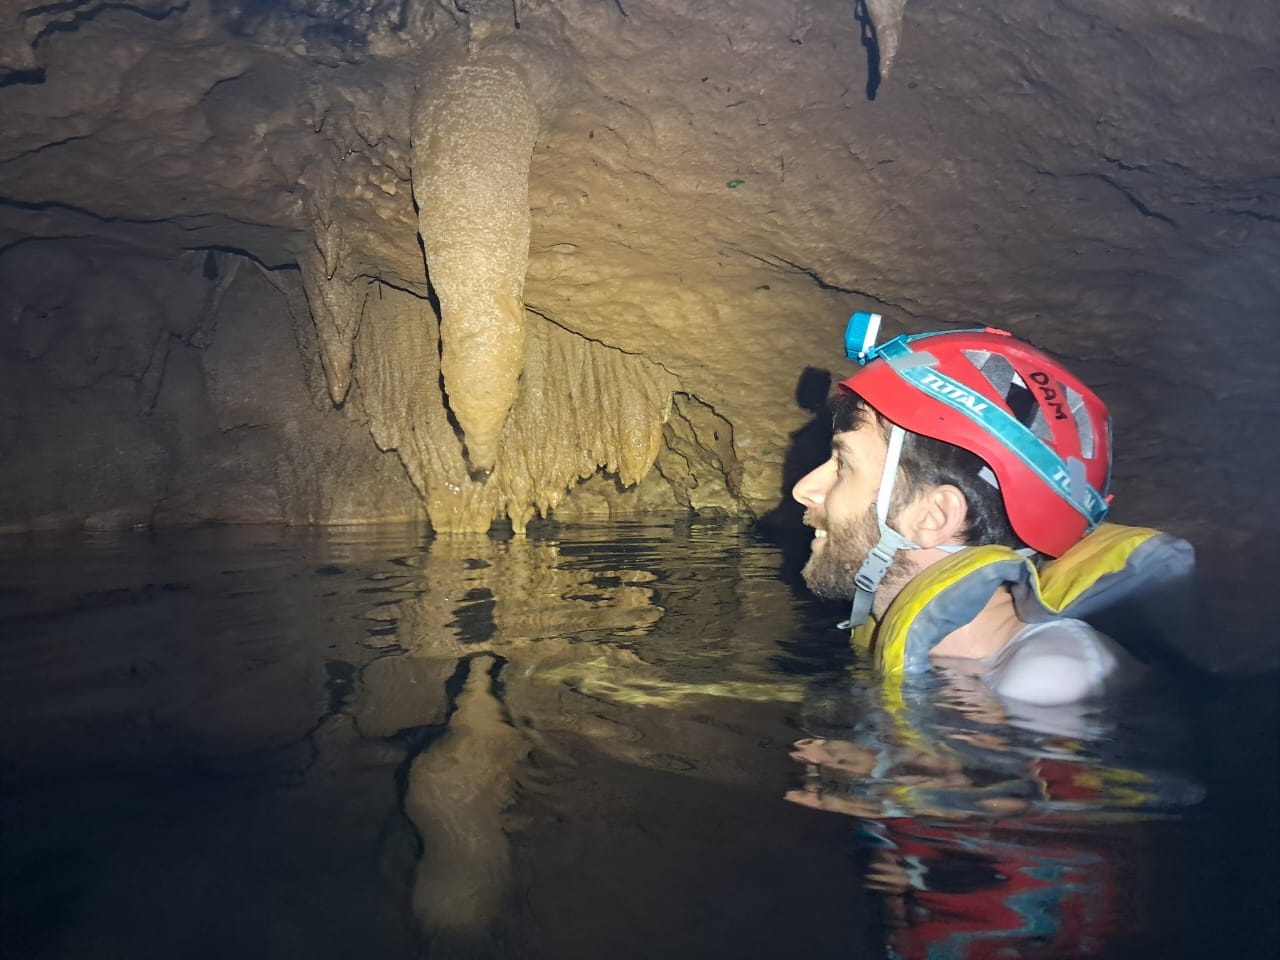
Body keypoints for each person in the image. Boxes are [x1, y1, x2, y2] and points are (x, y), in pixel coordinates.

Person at [792, 312, 1195, 706]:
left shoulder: (1053, 681)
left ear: (933, 517)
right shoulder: (927, 647)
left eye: (843, 466)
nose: (803, 490)